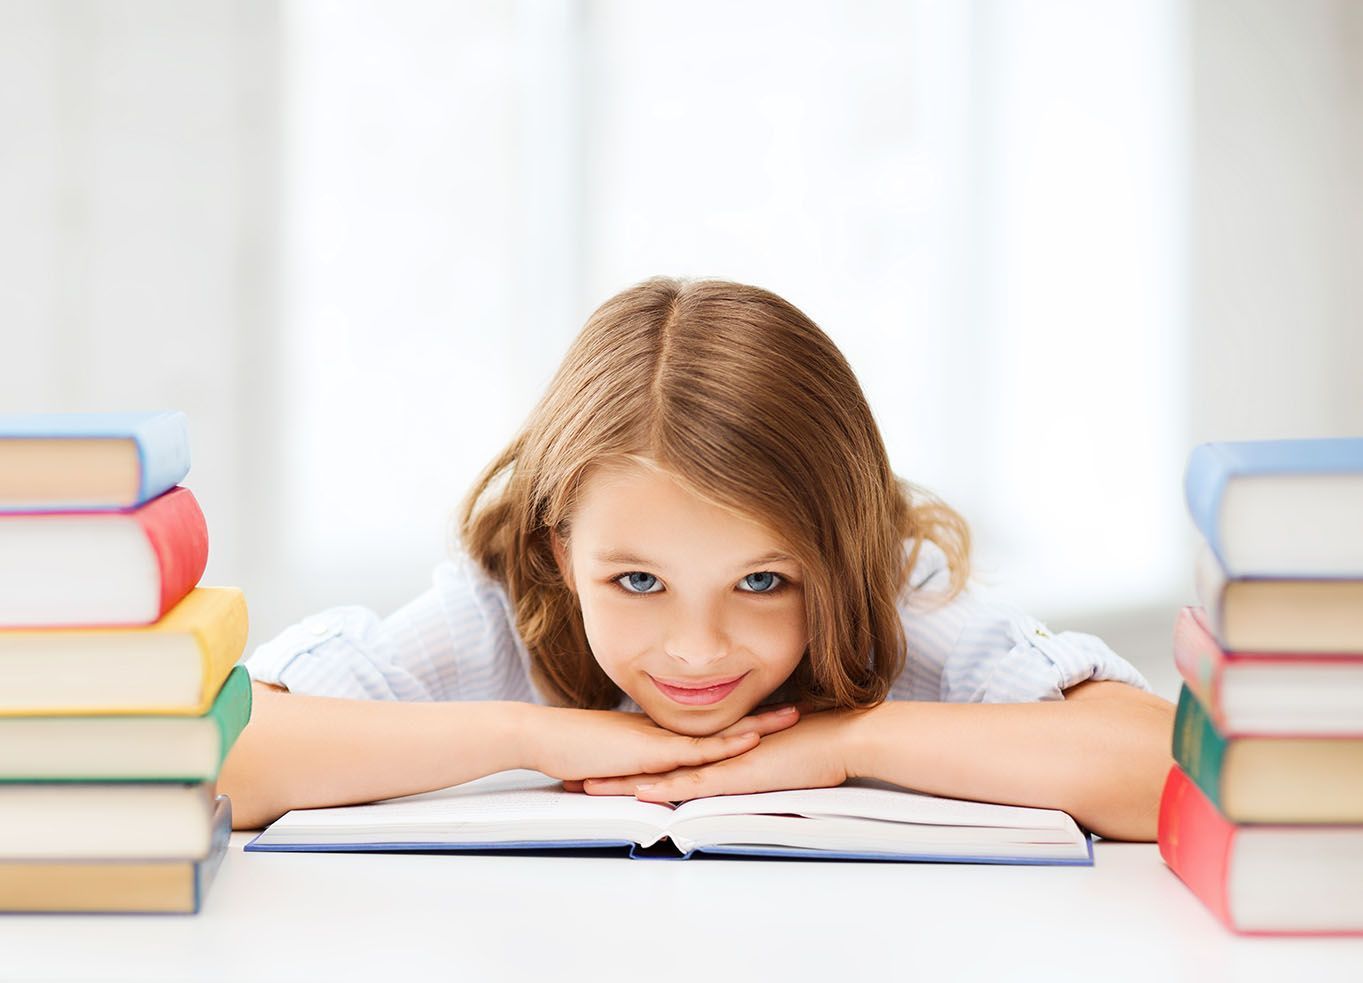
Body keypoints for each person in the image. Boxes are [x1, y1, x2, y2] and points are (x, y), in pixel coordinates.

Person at [218, 276, 1175, 839]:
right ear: (560, 550)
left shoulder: (889, 606)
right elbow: (217, 755)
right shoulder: (507, 610)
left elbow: (1164, 763)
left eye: (762, 581)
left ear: (837, 558)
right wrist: (533, 735)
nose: (695, 649)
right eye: (636, 581)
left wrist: (845, 741)